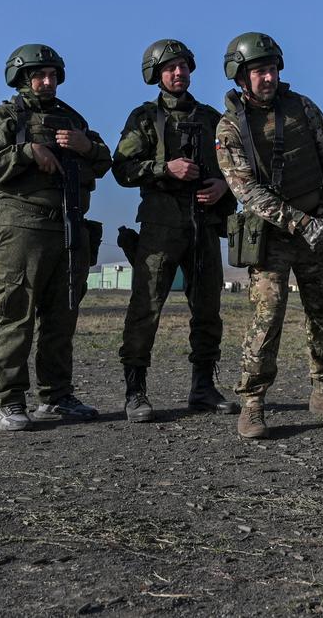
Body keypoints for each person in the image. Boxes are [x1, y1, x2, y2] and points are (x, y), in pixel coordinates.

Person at [214, 31, 323, 439]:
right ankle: (253, 404)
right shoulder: (229, 127)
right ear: (240, 77)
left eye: (272, 69)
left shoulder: (304, 108)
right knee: (267, 316)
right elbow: (246, 190)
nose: (267, 78)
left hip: (316, 229)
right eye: (258, 71)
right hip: (272, 237)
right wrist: (301, 223)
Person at [0, 44, 112, 431]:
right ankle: (8, 402)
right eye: (38, 75)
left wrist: (88, 146)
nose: (47, 82)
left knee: (62, 317)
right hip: (21, 230)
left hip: (68, 227)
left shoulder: (71, 118)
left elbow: (104, 161)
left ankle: (57, 396)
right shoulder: (6, 116)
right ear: (21, 78)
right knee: (14, 315)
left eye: (52, 74)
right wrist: (27, 151)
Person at [112, 39, 237, 422]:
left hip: (203, 228)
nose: (178, 72)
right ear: (156, 75)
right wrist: (165, 169)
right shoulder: (145, 118)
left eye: (183, 65)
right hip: (160, 228)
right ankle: (136, 391)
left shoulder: (212, 118)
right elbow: (122, 169)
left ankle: (202, 386)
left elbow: (235, 168)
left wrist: (223, 188)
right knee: (145, 309)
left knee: (208, 311)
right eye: (170, 67)